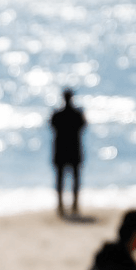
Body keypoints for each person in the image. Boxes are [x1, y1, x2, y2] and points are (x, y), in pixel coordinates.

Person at [50, 88, 86, 218]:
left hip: (61, 150)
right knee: (74, 179)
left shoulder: (58, 115)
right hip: (73, 150)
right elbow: (83, 126)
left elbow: (52, 127)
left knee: (61, 179)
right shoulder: (77, 114)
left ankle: (62, 206)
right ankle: (73, 206)